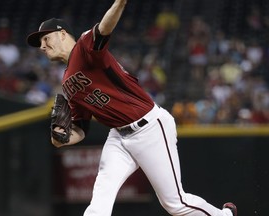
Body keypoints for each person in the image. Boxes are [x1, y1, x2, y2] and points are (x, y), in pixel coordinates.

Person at [26, 0, 237, 215]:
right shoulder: (67, 83)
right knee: (100, 199)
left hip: (150, 127)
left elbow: (104, 29)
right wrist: (62, 138)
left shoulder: (84, 47)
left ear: (62, 34)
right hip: (118, 136)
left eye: (46, 38)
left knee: (175, 204)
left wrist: (120, 2)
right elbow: (81, 127)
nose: (42, 46)